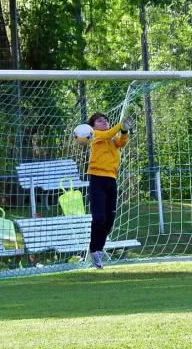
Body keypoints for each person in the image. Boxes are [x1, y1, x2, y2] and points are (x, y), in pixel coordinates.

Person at [86, 112, 132, 269]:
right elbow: (109, 133)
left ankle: (98, 249)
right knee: (98, 217)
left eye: (106, 120)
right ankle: (94, 249)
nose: (104, 122)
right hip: (96, 178)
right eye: (100, 120)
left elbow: (121, 143)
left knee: (110, 218)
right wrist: (120, 125)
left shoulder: (111, 137)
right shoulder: (96, 134)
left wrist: (124, 131)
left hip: (111, 179)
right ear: (93, 126)